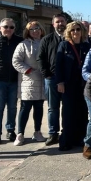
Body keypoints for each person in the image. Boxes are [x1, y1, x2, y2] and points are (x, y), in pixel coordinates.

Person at [55, 21, 91, 151]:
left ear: (82, 31)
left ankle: (80, 138)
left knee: (82, 112)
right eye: (73, 30)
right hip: (68, 85)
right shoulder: (64, 45)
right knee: (68, 113)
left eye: (78, 29)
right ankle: (66, 141)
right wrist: (59, 82)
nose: (75, 32)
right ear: (69, 32)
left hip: (83, 85)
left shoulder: (87, 46)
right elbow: (58, 65)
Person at [11, 21, 47, 146]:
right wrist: (29, 70)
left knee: (39, 108)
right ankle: (20, 134)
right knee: (25, 108)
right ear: (28, 31)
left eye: (37, 28)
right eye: (32, 29)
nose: (35, 31)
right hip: (28, 80)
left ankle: (37, 132)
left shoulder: (45, 43)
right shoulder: (23, 45)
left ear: (41, 29)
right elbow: (16, 61)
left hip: (42, 80)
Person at [0, 18, 22, 144]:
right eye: (5, 27)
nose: (8, 29)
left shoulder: (19, 41)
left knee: (13, 107)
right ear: (0, 28)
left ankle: (10, 130)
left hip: (14, 80)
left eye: (11, 27)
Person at [37, 13, 67, 146]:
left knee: (67, 107)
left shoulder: (71, 38)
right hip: (52, 79)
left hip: (68, 79)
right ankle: (53, 133)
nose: (60, 24)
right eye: (58, 22)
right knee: (52, 108)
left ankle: (66, 132)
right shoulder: (47, 39)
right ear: (53, 24)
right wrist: (47, 74)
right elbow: (40, 58)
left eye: (62, 21)